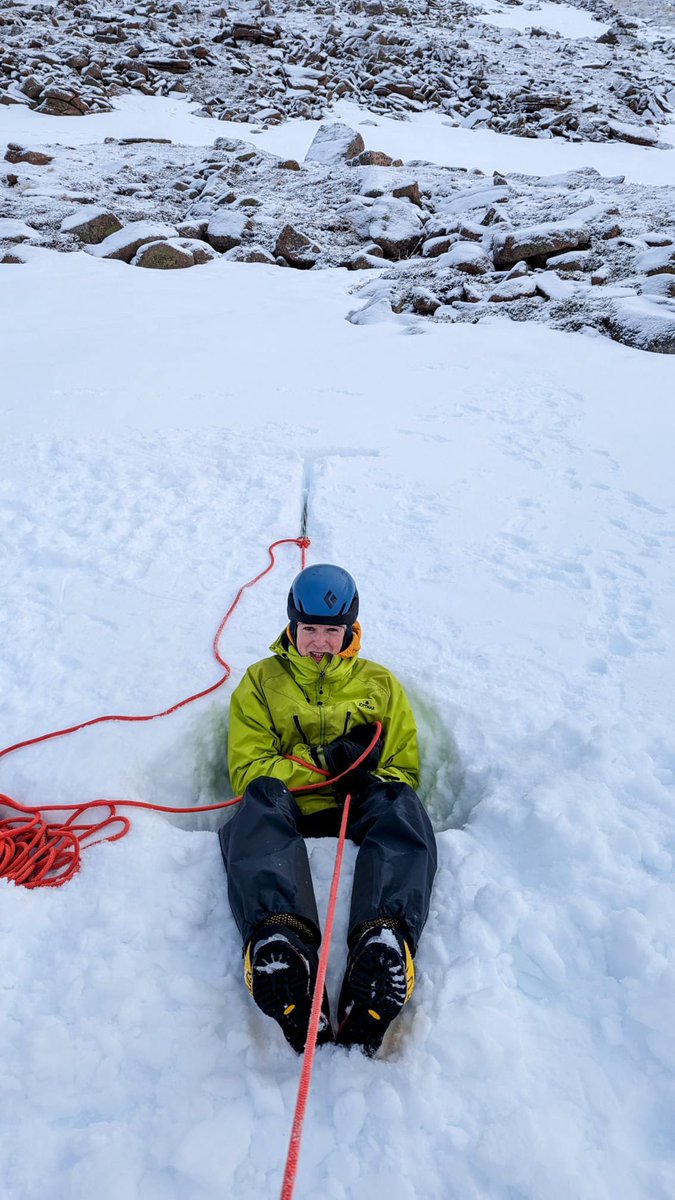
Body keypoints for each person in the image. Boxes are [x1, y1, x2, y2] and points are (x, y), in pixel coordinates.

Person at [219, 563, 437, 1056]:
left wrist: (367, 776)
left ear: (350, 631)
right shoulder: (259, 683)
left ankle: (384, 943)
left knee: (402, 807)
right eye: (309, 629)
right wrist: (326, 766)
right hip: (289, 804)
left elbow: (404, 769)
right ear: (292, 627)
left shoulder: (380, 685)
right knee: (257, 805)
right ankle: (280, 945)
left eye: (330, 631)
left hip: (358, 803)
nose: (319, 642)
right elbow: (250, 769)